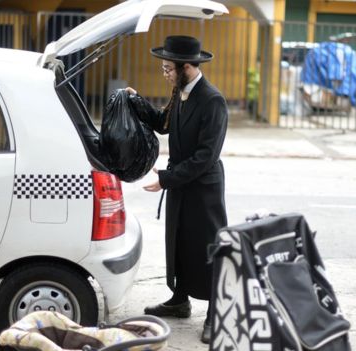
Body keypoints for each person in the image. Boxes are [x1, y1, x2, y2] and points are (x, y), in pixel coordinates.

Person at [126, 35, 228, 344]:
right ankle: (180, 299)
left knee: (207, 248)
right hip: (182, 181)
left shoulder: (212, 100)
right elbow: (163, 123)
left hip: (203, 188)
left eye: (168, 68)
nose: (165, 73)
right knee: (179, 242)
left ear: (187, 67)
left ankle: (216, 313)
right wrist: (137, 101)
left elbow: (205, 156)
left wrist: (167, 179)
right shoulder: (180, 92)